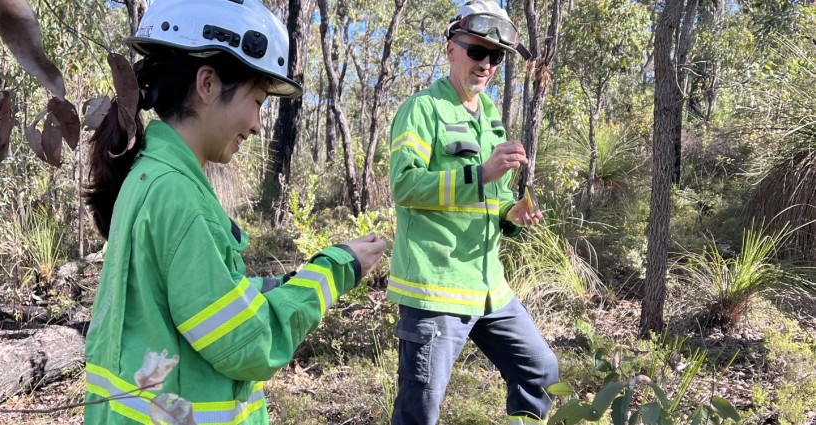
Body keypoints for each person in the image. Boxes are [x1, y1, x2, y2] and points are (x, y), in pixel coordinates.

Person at [82, 0, 386, 423]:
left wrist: (285, 283)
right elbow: (247, 344)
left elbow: (203, 300)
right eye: (258, 100)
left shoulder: (150, 175)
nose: (260, 125)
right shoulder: (178, 196)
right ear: (207, 84)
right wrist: (336, 270)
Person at [387, 1, 559, 424]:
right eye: (476, 51)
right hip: (436, 288)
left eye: (495, 56)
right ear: (450, 49)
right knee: (419, 410)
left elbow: (494, 195)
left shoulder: (491, 121)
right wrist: (479, 173)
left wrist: (510, 212)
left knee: (541, 371)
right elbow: (404, 184)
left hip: (488, 288)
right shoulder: (422, 110)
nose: (485, 64)